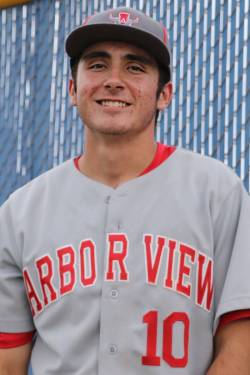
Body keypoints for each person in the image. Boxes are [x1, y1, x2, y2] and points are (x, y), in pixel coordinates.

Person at [0, 7, 250, 375]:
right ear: (72, 89)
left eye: (135, 67)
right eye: (97, 65)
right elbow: (8, 357)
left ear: (164, 94)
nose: (114, 80)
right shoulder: (20, 211)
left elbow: (241, 340)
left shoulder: (217, 190)